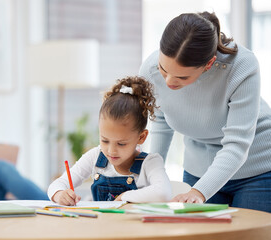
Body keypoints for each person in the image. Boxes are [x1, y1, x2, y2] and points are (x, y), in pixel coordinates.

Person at [139, 11, 271, 212]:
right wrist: (151, 177)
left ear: (209, 64)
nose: (169, 81)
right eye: (163, 69)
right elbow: (162, 121)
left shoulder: (242, 66)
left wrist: (199, 192)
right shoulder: (149, 69)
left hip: (256, 170)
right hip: (198, 169)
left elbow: (237, 144)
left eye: (182, 78)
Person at [48, 76, 172, 205]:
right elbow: (57, 184)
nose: (111, 151)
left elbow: (164, 193)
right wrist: (58, 194)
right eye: (105, 141)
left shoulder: (150, 163)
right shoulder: (95, 157)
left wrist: (125, 196)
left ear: (141, 137)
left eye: (121, 143)